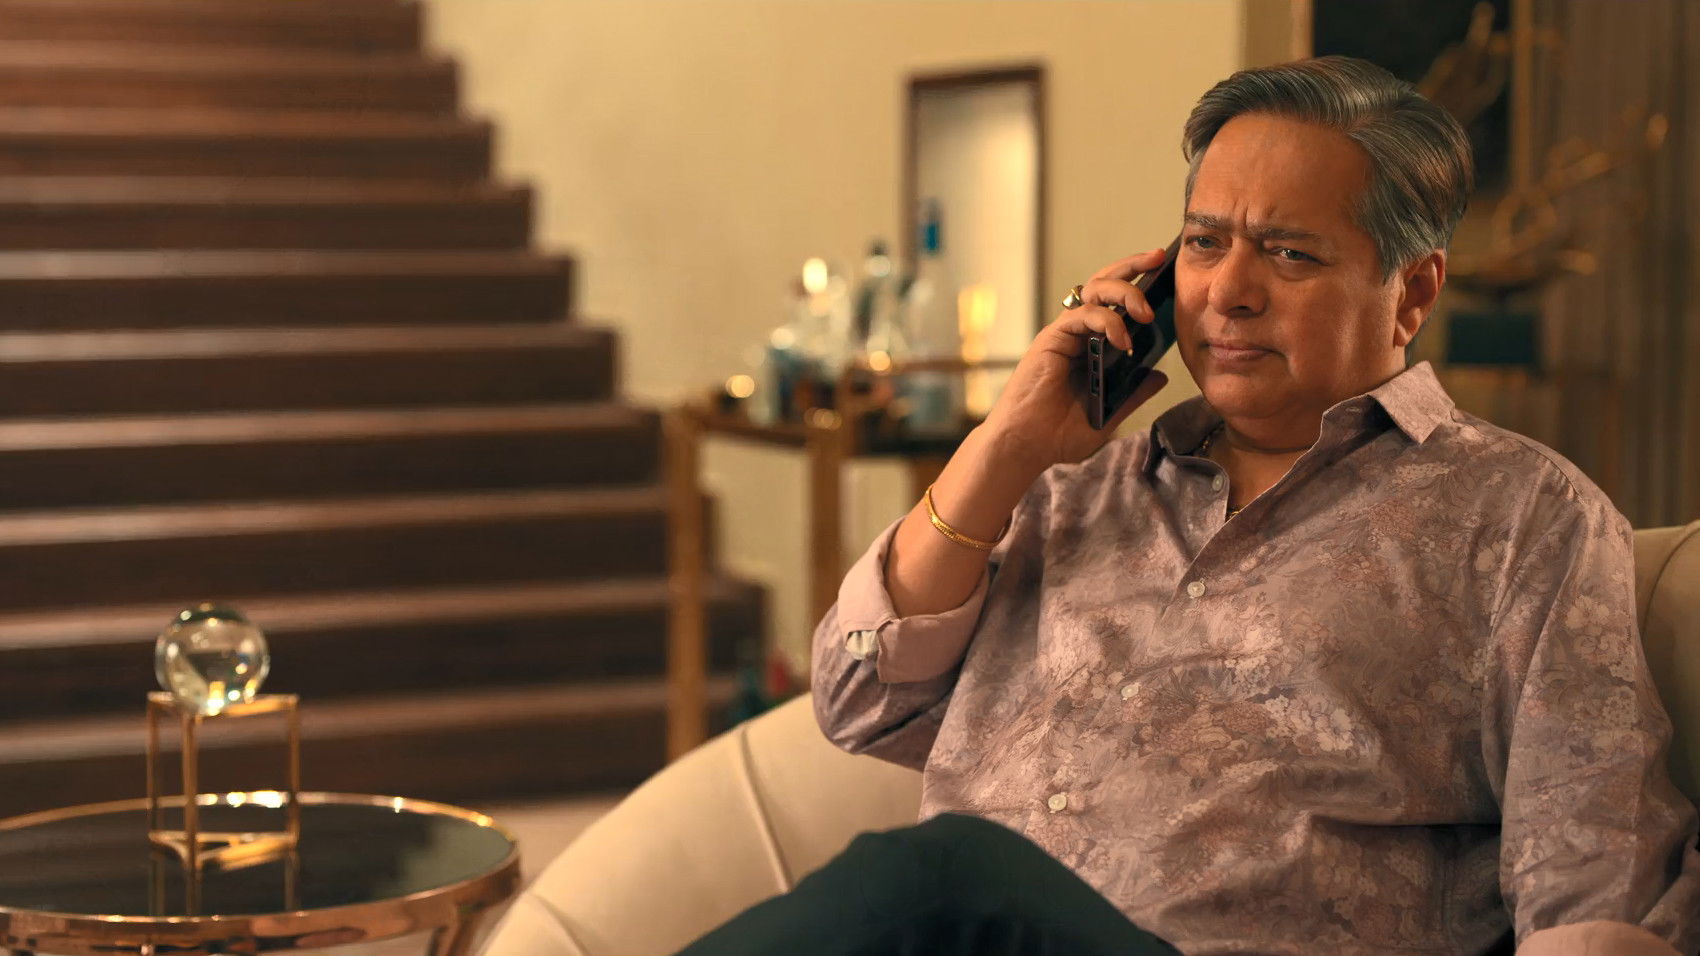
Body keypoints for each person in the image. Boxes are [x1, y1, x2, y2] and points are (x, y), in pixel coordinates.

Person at [684, 55, 1700, 955]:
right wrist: (1006, 445)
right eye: (1205, 243)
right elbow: (856, 696)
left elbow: (1594, 864)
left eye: (1289, 253)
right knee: (941, 880)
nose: (1228, 290)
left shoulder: (1521, 518)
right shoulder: (1074, 493)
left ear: (1413, 292)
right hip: (974, 930)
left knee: (940, 870)